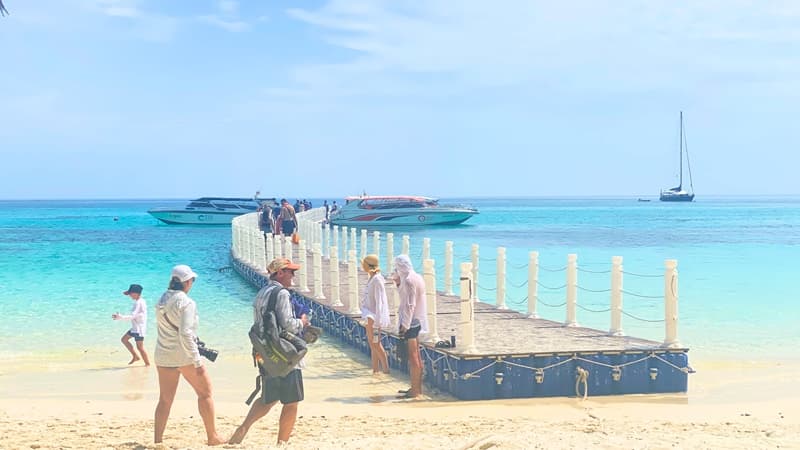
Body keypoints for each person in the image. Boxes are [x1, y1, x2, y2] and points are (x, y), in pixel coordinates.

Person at [229, 258, 309, 446]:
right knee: (291, 402)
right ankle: (282, 443)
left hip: (266, 352)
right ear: (280, 273)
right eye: (290, 271)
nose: (293, 275)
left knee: (269, 397)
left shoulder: (261, 292)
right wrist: (302, 322)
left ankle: (242, 429)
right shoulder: (282, 293)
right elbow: (288, 324)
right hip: (285, 355)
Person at [153, 265, 224, 446]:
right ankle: (212, 437)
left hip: (163, 354)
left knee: (165, 400)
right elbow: (185, 333)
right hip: (184, 356)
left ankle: (158, 441)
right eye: (192, 280)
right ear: (186, 282)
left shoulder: (161, 299)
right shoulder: (187, 302)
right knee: (205, 393)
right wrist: (197, 361)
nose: (192, 283)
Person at [392, 254, 428, 399]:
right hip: (416, 320)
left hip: (410, 323)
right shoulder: (417, 277)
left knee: (413, 358)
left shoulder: (408, 280)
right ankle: (416, 388)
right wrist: (398, 284)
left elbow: (409, 304)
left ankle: (415, 391)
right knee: (416, 356)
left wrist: (404, 325)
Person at [360, 254, 390, 374]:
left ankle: (386, 369)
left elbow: (380, 301)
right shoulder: (372, 278)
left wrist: (378, 320)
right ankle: (375, 370)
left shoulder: (377, 279)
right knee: (373, 344)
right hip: (369, 315)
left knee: (376, 343)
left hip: (373, 316)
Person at [112, 283, 150, 366]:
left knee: (140, 348)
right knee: (124, 340)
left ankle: (147, 365)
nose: (129, 295)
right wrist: (121, 317)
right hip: (135, 328)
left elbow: (133, 316)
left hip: (139, 330)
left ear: (136, 293)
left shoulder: (138, 303)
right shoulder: (141, 301)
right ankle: (135, 356)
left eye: (130, 293)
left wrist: (120, 317)